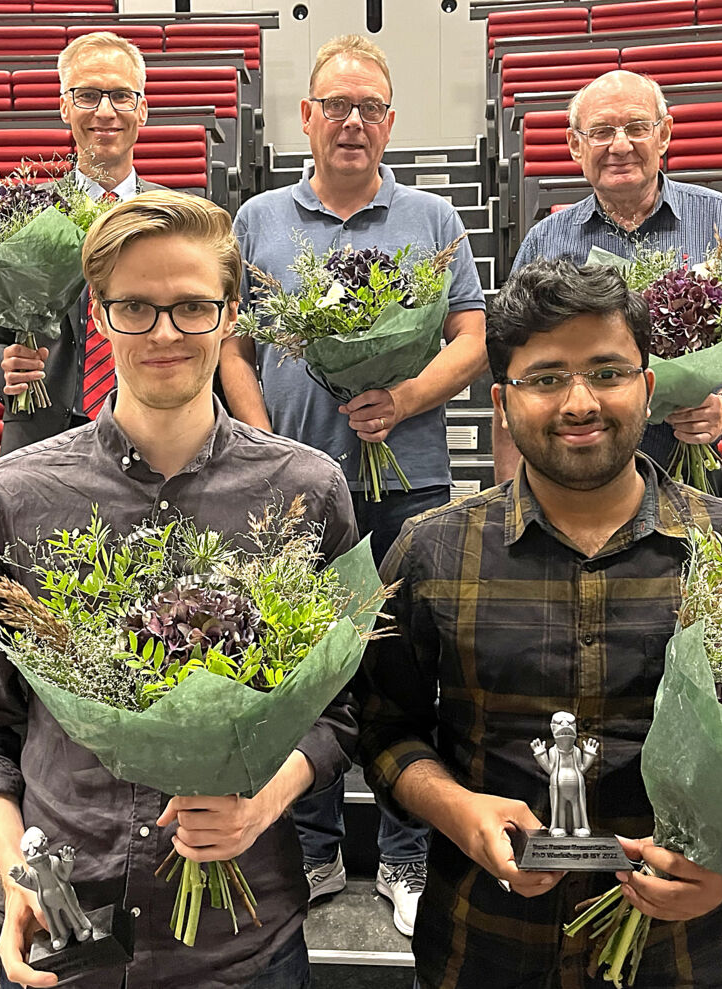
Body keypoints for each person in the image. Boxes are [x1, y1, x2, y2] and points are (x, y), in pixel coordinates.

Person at [0, 191, 358, 989]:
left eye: (193, 306)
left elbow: (341, 711)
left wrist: (261, 805)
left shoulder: (307, 489)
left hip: (245, 942)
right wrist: (14, 867)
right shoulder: (12, 495)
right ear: (97, 315)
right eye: (136, 306)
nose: (166, 332)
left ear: (230, 313)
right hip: (64, 922)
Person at [357, 258, 722, 988]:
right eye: (546, 378)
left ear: (650, 386)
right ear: (501, 403)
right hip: (482, 950)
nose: (579, 402)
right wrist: (459, 810)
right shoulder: (430, 551)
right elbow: (381, 728)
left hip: (680, 958)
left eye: (607, 372)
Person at [218, 34, 487, 935]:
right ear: (305, 116)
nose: (352, 122)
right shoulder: (258, 219)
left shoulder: (437, 219)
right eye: (336, 105)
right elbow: (234, 346)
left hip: (408, 475)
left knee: (404, 663)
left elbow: (474, 339)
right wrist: (260, 440)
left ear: (391, 122)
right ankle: (316, 844)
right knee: (303, 664)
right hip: (292, 480)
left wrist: (403, 395)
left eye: (369, 108)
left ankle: (410, 856)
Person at [495, 69, 722, 484]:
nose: (620, 145)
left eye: (636, 127)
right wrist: (511, 494)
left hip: (688, 467)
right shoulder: (546, 240)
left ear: (664, 135)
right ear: (574, 145)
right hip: (576, 472)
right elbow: (511, 374)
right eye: (600, 131)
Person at [0, 31, 164, 454]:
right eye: (88, 95)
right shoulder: (28, 216)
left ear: (143, 109)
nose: (106, 111)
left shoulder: (173, 218)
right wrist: (3, 369)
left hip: (153, 431)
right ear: (64, 107)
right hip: (42, 437)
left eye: (121, 96)